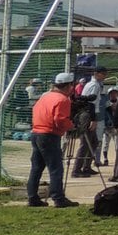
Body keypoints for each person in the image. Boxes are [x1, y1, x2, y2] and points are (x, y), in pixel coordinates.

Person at [26, 72, 78, 208]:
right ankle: (58, 198)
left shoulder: (45, 97)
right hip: (49, 135)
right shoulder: (63, 100)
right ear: (68, 86)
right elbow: (59, 120)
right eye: (71, 85)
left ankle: (32, 197)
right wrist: (71, 126)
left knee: (36, 168)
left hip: (36, 132)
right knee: (56, 168)